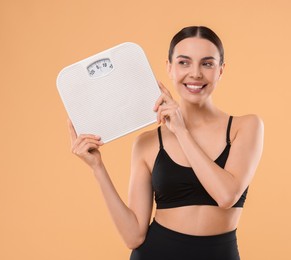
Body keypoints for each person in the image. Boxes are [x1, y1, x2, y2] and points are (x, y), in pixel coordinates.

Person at [68, 26, 264, 260]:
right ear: (169, 68)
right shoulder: (147, 143)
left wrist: (181, 131)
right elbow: (133, 237)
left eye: (207, 63)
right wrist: (97, 167)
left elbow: (226, 196)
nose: (195, 73)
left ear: (221, 70)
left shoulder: (245, 127)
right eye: (184, 62)